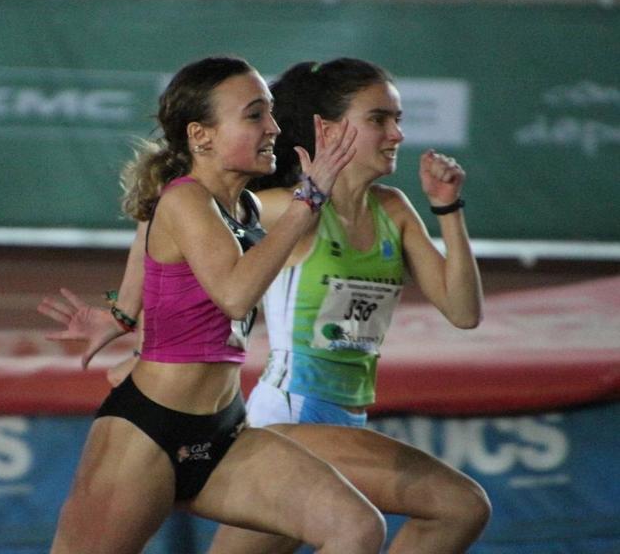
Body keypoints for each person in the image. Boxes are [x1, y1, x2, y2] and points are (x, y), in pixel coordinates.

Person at [40, 55, 490, 554]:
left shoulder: (248, 207)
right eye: (255, 115)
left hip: (223, 431)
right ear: (201, 135)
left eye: (271, 113)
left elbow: (155, 226)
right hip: (150, 429)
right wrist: (308, 201)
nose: (273, 127)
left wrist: (122, 313)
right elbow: (233, 295)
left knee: (356, 529)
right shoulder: (189, 199)